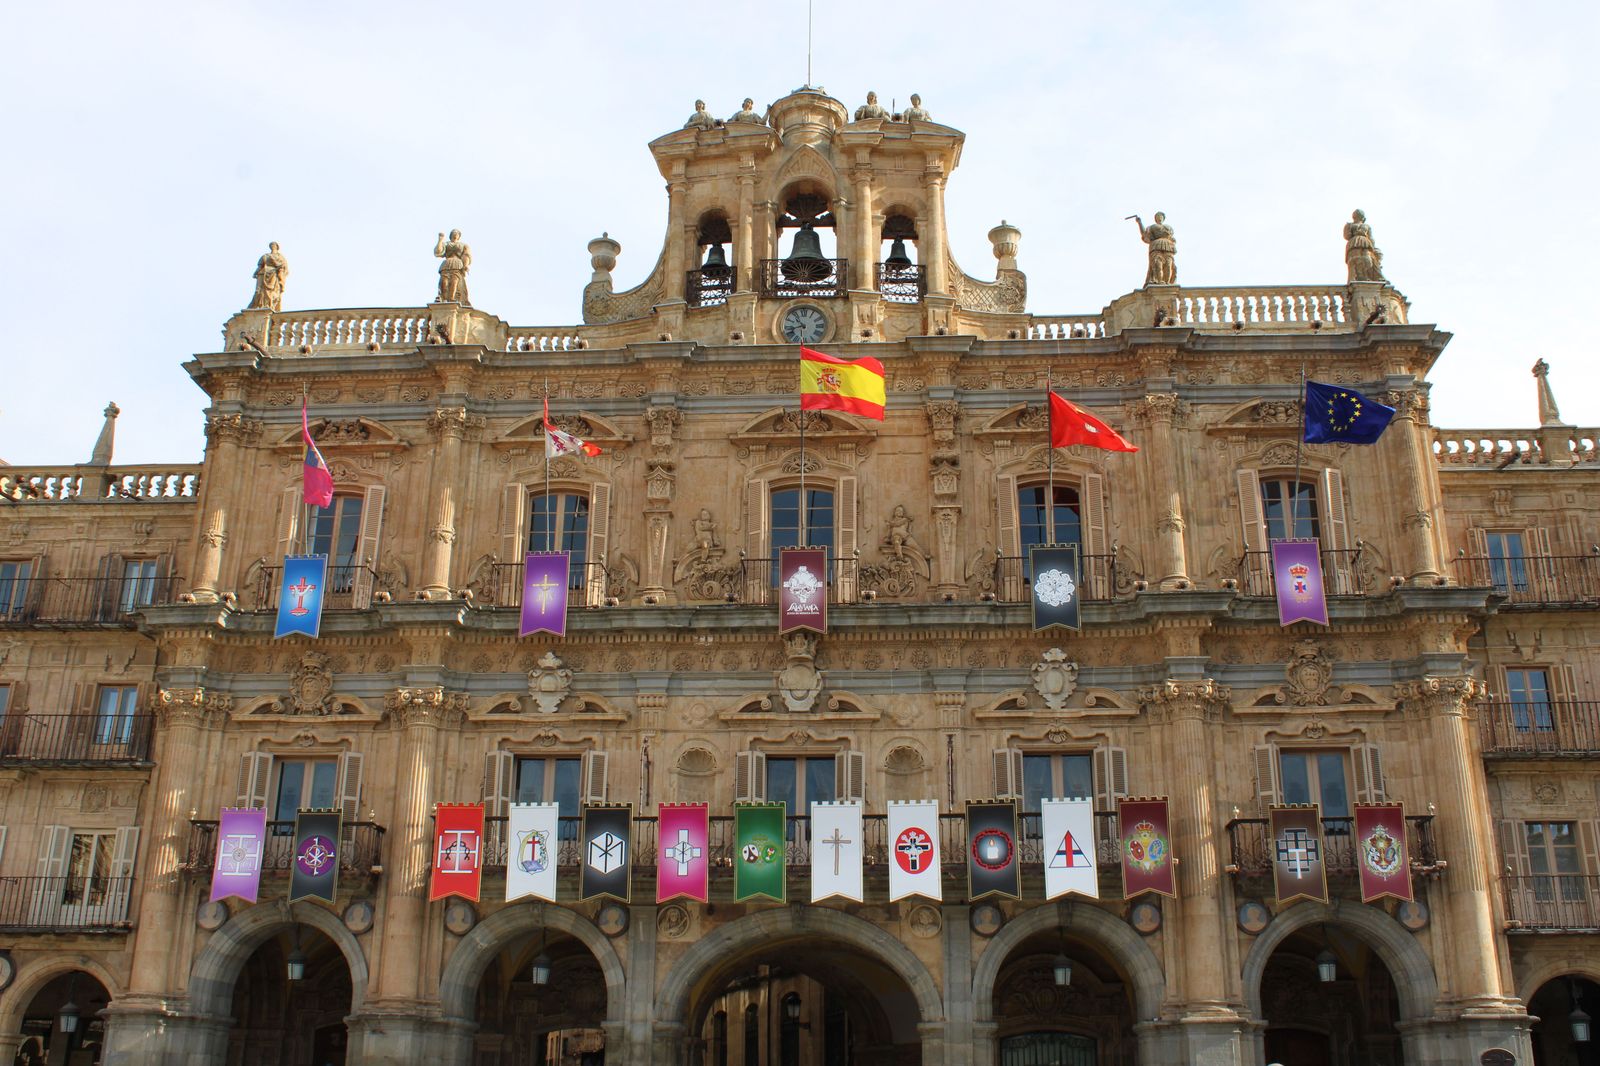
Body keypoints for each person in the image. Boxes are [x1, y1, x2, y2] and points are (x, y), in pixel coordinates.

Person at [1131, 212, 1176, 286]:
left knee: (1168, 265)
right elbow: (1144, 234)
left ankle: (1167, 283)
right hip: (1156, 246)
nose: (1159, 217)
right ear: (1155, 218)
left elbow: (1172, 238)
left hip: (1168, 246)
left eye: (1161, 216)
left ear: (1163, 218)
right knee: (1157, 265)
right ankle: (1159, 281)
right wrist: (1139, 223)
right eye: (1158, 216)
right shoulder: (1152, 227)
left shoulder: (1169, 227)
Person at [1343, 208, 1385, 282]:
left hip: (1360, 243)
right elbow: (1347, 236)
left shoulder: (1364, 226)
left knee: (1365, 261)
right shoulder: (1351, 225)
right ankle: (1361, 277)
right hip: (1358, 243)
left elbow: (1371, 238)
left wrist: (1374, 249)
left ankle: (1364, 277)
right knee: (1360, 261)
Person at [433, 229, 471, 305]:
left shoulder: (463, 245)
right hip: (447, 264)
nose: (455, 234)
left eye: (457, 233)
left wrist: (465, 265)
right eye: (453, 233)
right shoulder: (446, 244)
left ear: (459, 236)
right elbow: (438, 252)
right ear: (450, 235)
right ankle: (443, 298)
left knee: (454, 281)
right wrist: (440, 240)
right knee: (444, 282)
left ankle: (451, 298)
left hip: (457, 264)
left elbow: (466, 255)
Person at [248, 241, 288, 311]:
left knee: (270, 291)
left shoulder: (280, 257)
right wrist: (255, 272)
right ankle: (259, 306)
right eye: (271, 245)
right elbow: (260, 266)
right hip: (263, 274)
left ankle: (269, 305)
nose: (272, 246)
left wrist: (280, 272)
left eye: (274, 245)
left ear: (277, 246)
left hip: (273, 275)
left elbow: (284, 268)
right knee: (259, 291)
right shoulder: (265, 256)